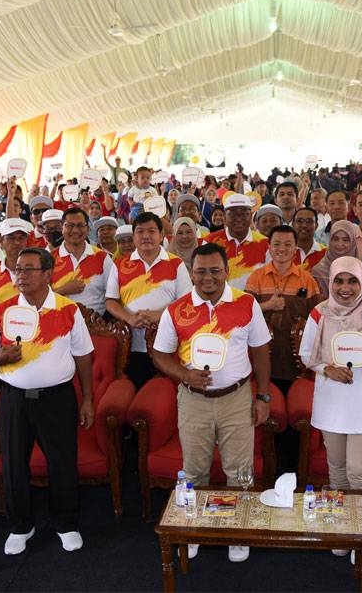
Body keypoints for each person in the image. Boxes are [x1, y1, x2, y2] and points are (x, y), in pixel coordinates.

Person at [151, 242, 272, 564]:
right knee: (193, 470)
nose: (208, 277)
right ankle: (193, 530)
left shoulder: (247, 304)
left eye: (215, 271)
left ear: (227, 272)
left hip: (237, 397)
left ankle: (237, 531)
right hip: (194, 401)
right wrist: (183, 374)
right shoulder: (176, 309)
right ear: (191, 273)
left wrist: (263, 395)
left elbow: (260, 351)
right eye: (201, 271)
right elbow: (160, 353)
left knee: (240, 471)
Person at [0, 247, 94, 556]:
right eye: (18, 269)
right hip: (14, 399)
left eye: (29, 269)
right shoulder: (3, 310)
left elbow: (84, 356)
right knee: (14, 463)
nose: (21, 275)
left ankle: (65, 523)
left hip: (56, 399)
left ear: (47, 274)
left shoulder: (68, 310)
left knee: (62, 463)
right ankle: (20, 525)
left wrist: (88, 400)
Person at [300, 256, 362, 506]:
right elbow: (306, 353)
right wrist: (327, 369)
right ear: (331, 283)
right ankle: (341, 534)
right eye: (339, 281)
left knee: (359, 472)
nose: (345, 288)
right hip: (331, 403)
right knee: (338, 472)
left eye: (353, 281)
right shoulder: (320, 313)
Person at [245, 225, 320, 471]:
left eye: (288, 244)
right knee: (271, 413)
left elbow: (315, 319)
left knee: (296, 413)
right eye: (277, 244)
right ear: (269, 247)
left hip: (297, 359)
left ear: (295, 249)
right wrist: (267, 306)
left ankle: (296, 468)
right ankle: (272, 468)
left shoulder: (306, 280)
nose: (282, 249)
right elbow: (245, 315)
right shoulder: (256, 278)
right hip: (265, 356)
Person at [105, 212, 192, 389]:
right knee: (136, 391)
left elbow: (186, 302)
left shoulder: (176, 264)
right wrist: (129, 318)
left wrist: (158, 315)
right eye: (140, 231)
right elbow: (110, 301)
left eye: (151, 231)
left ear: (161, 235)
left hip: (169, 344)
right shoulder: (120, 264)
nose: (145, 236)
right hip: (131, 345)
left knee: (166, 393)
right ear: (134, 236)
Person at [50, 208, 114, 316]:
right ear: (62, 228)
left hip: (96, 326)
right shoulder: (49, 258)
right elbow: (39, 297)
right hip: (58, 323)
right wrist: (63, 290)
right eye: (70, 225)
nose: (75, 230)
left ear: (88, 229)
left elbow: (113, 295)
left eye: (80, 225)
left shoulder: (102, 257)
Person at [203, 194, 269, 290]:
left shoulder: (264, 243)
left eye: (244, 214)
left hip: (255, 303)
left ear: (251, 216)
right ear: (225, 217)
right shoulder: (210, 241)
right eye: (232, 214)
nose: (238, 218)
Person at [0, 218, 32, 305]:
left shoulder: (38, 267)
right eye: (11, 238)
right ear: (1, 240)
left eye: (21, 238)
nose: (17, 242)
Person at [311, 220, 358, 296]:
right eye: (335, 239)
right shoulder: (319, 271)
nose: (340, 244)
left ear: (353, 242)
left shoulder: (361, 268)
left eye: (345, 240)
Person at [291, 207, 326, 271]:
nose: (304, 225)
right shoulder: (286, 251)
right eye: (300, 221)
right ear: (293, 225)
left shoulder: (326, 253)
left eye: (309, 221)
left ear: (316, 226)